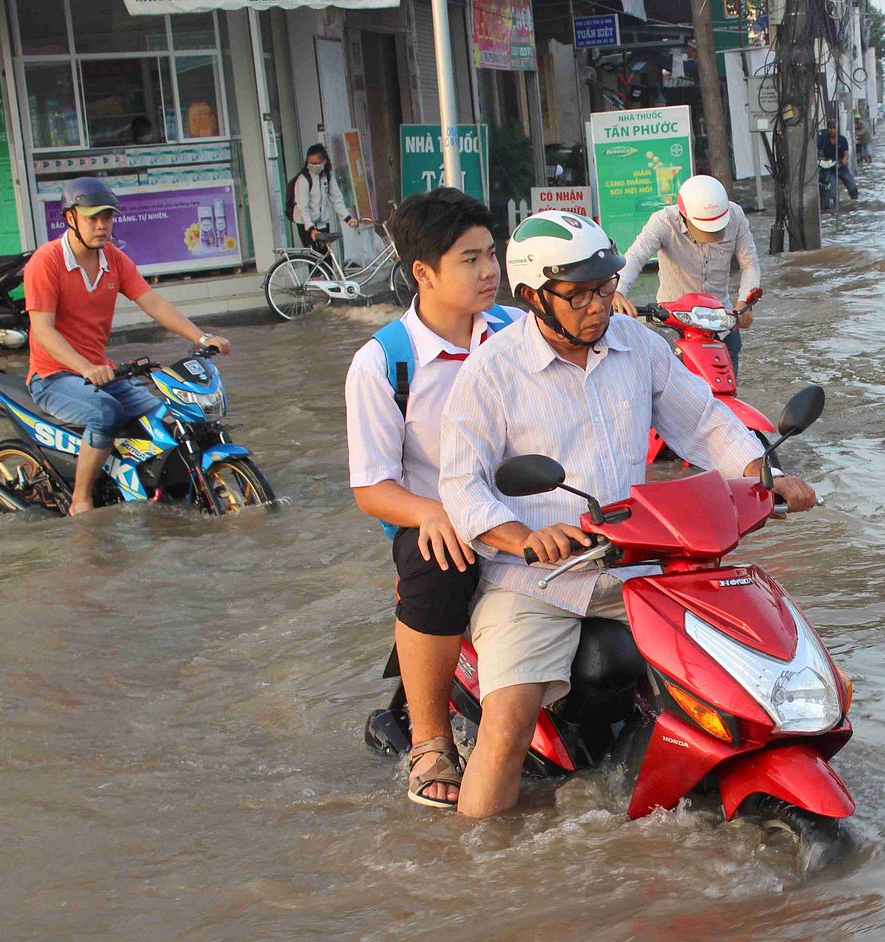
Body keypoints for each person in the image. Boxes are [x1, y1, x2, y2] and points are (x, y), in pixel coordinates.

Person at [436, 210, 817, 819]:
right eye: (579, 293)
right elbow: (460, 483)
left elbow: (705, 421)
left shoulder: (638, 344)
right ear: (534, 296)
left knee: (740, 669)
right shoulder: (493, 370)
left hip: (637, 567)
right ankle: (479, 875)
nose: (598, 305)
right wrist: (526, 536)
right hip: (538, 582)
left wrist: (761, 477)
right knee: (506, 728)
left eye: (606, 287)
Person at [345, 187, 523, 810]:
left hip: (525, 506)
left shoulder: (517, 332)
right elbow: (371, 487)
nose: (489, 271)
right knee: (437, 561)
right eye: (470, 259)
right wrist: (434, 513)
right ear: (422, 272)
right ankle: (430, 743)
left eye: (492, 254)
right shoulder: (384, 364)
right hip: (436, 518)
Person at [24, 177, 232, 516]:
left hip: (101, 372)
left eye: (107, 217)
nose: (102, 225)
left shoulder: (114, 260)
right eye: (92, 218)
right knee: (105, 413)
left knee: (165, 415)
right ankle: (80, 499)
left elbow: (153, 303)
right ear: (70, 218)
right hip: (53, 377)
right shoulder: (46, 262)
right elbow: (44, 332)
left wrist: (202, 337)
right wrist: (86, 368)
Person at [611, 174, 761, 375]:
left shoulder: (736, 216)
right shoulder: (663, 222)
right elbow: (636, 256)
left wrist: (744, 303)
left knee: (726, 394)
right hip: (673, 324)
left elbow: (750, 264)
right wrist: (617, 291)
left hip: (721, 324)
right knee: (671, 397)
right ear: (684, 215)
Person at [289, 143, 358, 254]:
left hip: (322, 222)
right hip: (305, 223)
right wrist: (311, 229)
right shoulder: (303, 180)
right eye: (310, 163)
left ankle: (325, 271)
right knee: (313, 256)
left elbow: (337, 199)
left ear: (324, 161)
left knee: (326, 256)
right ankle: (315, 272)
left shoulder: (327, 176)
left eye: (316, 163)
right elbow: (303, 207)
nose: (312, 166)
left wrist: (347, 218)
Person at [816, 120, 859, 200]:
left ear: (837, 128)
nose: (832, 130)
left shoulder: (842, 140)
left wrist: (844, 159)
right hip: (829, 169)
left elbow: (846, 154)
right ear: (827, 129)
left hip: (841, 167)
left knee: (852, 187)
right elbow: (818, 152)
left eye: (834, 128)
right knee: (833, 192)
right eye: (830, 128)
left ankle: (854, 202)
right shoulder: (822, 140)